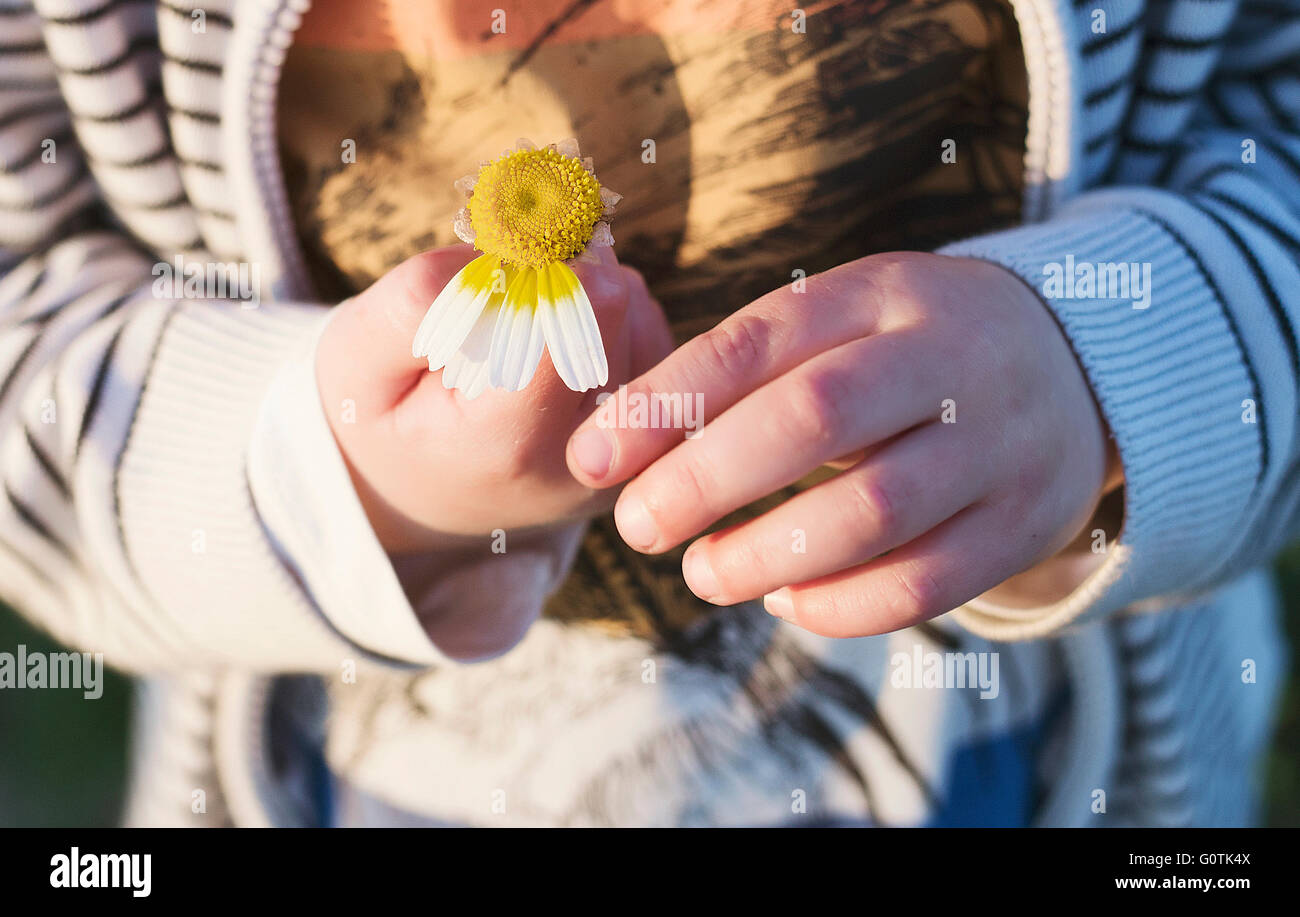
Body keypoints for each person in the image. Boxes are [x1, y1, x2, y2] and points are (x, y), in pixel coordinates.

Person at [0, 0, 1291, 826]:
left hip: (1027, 757)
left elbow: (1271, 119)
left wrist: (1120, 368)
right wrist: (325, 481)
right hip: (355, 774)